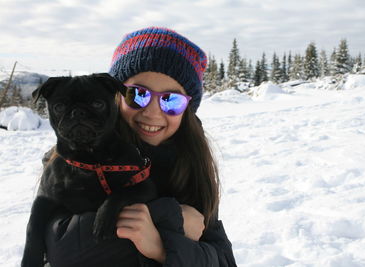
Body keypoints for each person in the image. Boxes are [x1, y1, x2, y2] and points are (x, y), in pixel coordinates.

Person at [44, 27, 237, 266]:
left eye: (171, 100)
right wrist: (171, 220)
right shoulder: (75, 158)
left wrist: (163, 249)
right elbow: (63, 249)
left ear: (187, 109)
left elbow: (223, 260)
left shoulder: (191, 164)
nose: (152, 112)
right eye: (137, 94)